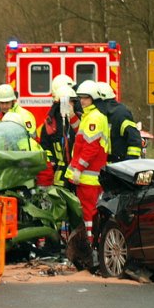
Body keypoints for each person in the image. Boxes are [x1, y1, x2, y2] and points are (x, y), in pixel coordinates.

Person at [64, 80, 109, 249]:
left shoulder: (94, 117)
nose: (82, 101)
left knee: (88, 213)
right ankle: (91, 244)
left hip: (89, 176)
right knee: (90, 212)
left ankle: (89, 246)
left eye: (86, 98)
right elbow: (81, 134)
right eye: (80, 98)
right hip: (90, 174)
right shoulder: (90, 116)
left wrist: (78, 168)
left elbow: (91, 149)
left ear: (94, 99)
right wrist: (72, 116)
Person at [37, 80, 81, 189]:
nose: (69, 105)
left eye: (71, 102)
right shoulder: (50, 123)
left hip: (77, 171)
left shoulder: (80, 119)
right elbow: (44, 145)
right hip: (58, 171)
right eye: (65, 102)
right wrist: (51, 160)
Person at [1, 111, 51, 192]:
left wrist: (40, 190)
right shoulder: (8, 144)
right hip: (20, 183)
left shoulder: (28, 144)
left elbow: (43, 169)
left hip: (36, 184)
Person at [95, 81, 142, 162]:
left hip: (118, 165)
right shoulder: (101, 113)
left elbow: (135, 140)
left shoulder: (120, 114)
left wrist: (129, 162)